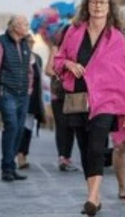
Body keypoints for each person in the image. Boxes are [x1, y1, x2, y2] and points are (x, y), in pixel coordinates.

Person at [54, 0, 125, 216]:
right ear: (87, 6)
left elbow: (124, 73)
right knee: (86, 148)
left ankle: (90, 197)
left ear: (110, 8)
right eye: (94, 2)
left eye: (102, 2)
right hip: (78, 98)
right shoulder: (74, 31)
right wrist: (69, 64)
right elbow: (59, 59)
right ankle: (95, 197)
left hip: (107, 99)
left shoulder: (116, 37)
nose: (98, 6)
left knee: (98, 146)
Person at [0, 15, 34, 181]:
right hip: (6, 91)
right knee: (12, 126)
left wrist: (29, 88)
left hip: (23, 94)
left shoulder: (25, 44)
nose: (28, 26)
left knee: (20, 129)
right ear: (14, 26)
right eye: (25, 24)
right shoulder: (0, 43)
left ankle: (11, 166)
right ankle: (7, 167)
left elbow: (29, 68)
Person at [45, 24, 79, 173]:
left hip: (73, 94)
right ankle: (62, 157)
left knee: (72, 126)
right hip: (58, 94)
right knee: (62, 126)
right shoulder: (56, 49)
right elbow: (48, 70)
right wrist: (63, 73)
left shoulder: (76, 50)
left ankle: (68, 158)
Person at [16, 50, 45, 170]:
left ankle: (23, 155)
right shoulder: (20, 55)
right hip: (22, 97)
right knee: (21, 128)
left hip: (33, 100)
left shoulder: (37, 58)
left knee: (28, 129)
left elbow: (39, 81)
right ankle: (19, 156)